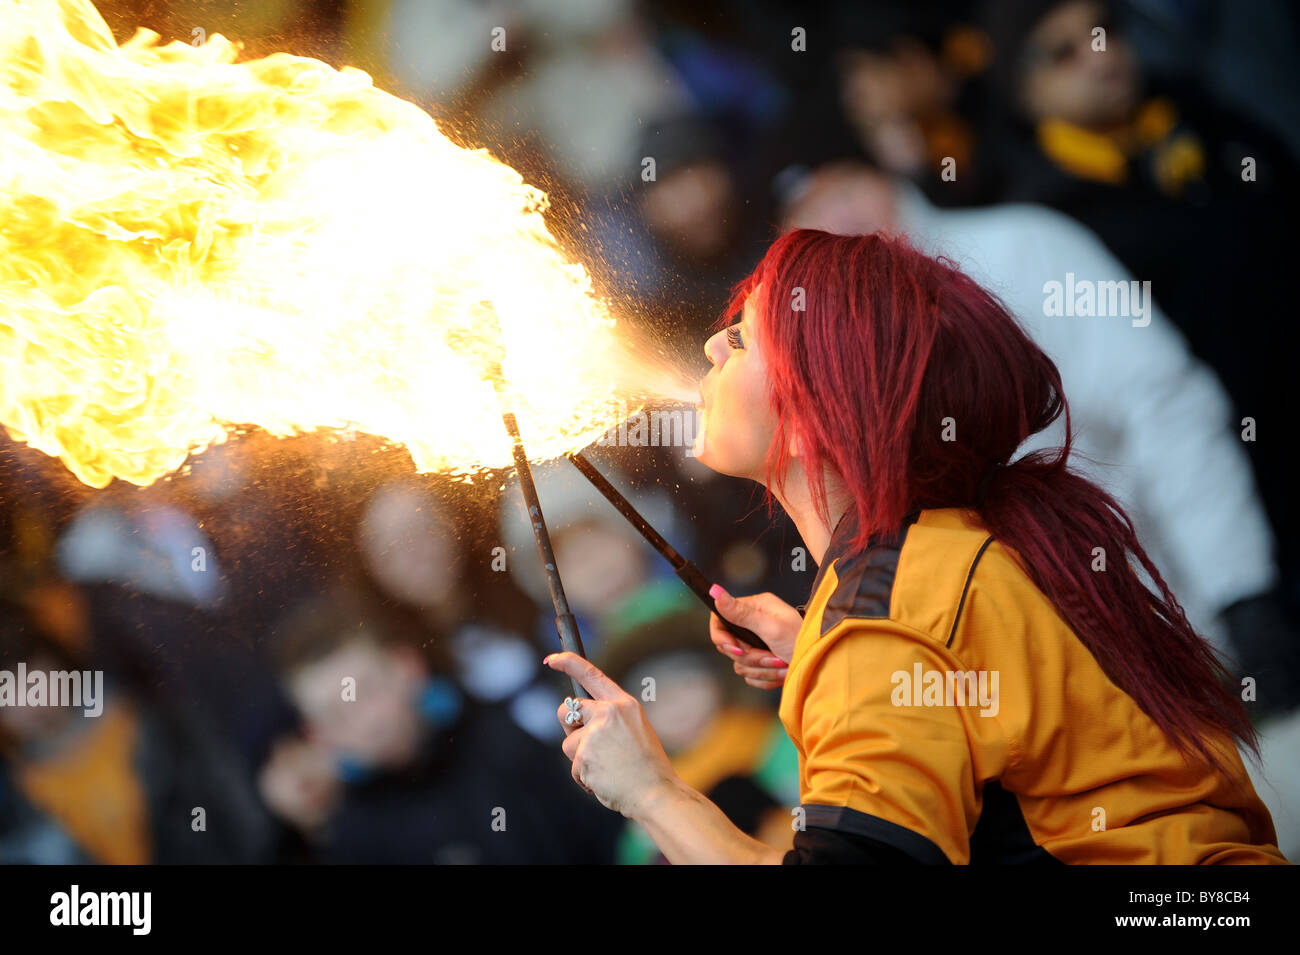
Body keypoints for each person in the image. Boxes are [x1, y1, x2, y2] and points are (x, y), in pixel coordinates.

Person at [543, 228, 1289, 864]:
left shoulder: (885, 620)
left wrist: (653, 791)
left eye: (741, 339)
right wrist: (824, 651)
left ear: (811, 418)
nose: (711, 341)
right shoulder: (946, 546)